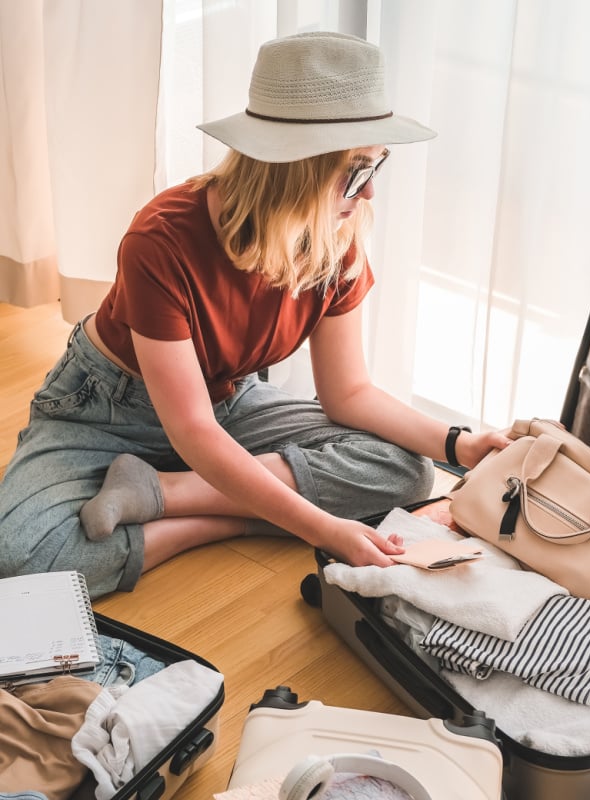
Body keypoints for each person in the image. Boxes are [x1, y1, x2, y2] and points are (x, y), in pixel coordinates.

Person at [0, 31, 511, 599]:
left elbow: (349, 394)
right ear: (298, 168)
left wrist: (459, 444)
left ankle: (164, 493)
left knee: (409, 469)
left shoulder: (335, 238)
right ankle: (217, 518)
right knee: (26, 559)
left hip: (223, 405)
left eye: (377, 168)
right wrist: (320, 526)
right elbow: (190, 430)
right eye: (357, 171)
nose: (368, 195)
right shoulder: (161, 238)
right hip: (109, 406)